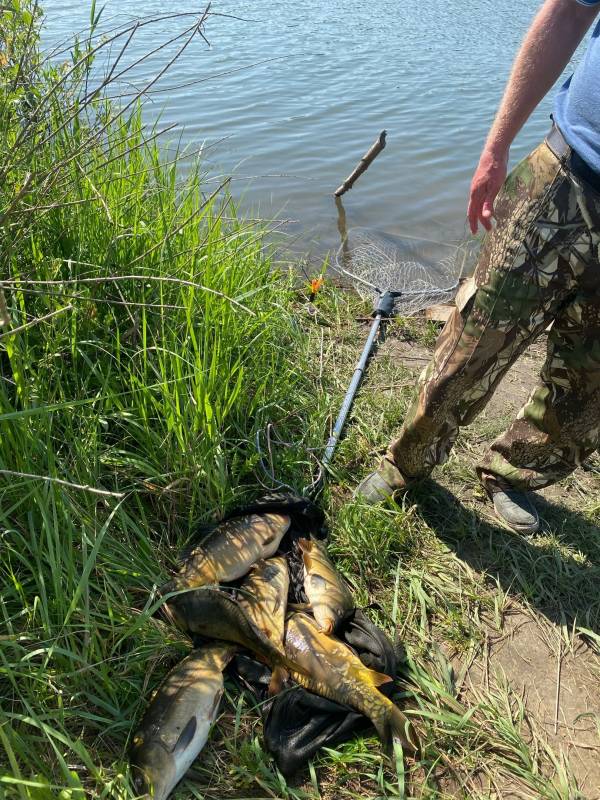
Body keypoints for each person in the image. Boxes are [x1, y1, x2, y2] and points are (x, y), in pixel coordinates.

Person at [356, 0, 600, 534]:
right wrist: (497, 144)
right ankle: (405, 463)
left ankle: (511, 474)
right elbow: (564, 15)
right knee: (476, 339)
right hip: (567, 176)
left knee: (589, 385)